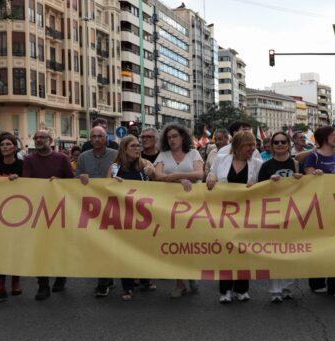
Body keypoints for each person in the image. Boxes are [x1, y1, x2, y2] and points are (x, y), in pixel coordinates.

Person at [207, 131, 263, 303]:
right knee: (226, 252)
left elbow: (266, 185)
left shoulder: (257, 164)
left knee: (243, 251)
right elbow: (212, 174)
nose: (252, 149)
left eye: (254, 145)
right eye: (248, 145)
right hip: (224, 215)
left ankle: (242, 289)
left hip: (247, 215)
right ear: (238, 146)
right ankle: (225, 290)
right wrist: (211, 178)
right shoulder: (221, 160)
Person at [23, 130, 74, 301]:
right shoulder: (29, 160)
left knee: (59, 246)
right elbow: (27, 183)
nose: (38, 140)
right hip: (37, 211)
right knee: (40, 249)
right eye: (35, 137)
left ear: (50, 140)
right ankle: (43, 285)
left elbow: (71, 182)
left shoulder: (62, 159)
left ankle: (60, 276)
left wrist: (58, 183)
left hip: (59, 210)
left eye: (41, 137)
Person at [154, 123, 204, 298]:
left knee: (189, 243)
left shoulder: (194, 153)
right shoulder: (163, 155)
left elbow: (199, 174)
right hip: (169, 207)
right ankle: (179, 282)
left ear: (183, 137)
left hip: (192, 206)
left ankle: (191, 272)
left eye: (175, 136)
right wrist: (178, 181)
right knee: (174, 244)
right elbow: (157, 176)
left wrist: (176, 176)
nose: (172, 139)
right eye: (169, 137)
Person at [106, 135, 157, 300]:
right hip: (123, 215)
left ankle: (145, 280)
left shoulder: (146, 165)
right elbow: (104, 187)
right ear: (124, 149)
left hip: (143, 215)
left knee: (144, 249)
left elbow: (159, 185)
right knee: (125, 251)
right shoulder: (114, 167)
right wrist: (112, 182)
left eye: (138, 145)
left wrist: (153, 174)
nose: (137, 148)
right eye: (133, 146)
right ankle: (127, 287)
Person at [257, 132, 302, 303]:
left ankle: (288, 286)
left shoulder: (297, 164)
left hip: (293, 214)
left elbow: (309, 188)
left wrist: (302, 178)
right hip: (273, 214)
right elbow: (257, 189)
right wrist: (269, 182)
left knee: (291, 251)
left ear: (289, 144)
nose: (280, 144)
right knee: (275, 252)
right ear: (272, 145)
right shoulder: (266, 166)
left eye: (284, 142)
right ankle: (275, 289)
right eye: (276, 142)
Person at [304, 126, 335, 298]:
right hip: (318, 210)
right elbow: (308, 182)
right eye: (333, 135)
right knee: (319, 245)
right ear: (323, 138)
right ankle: (317, 281)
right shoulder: (313, 157)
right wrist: (314, 175)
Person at [75, 127, 119, 299]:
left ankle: (104, 281)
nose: (97, 139)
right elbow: (74, 177)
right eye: (93, 136)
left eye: (100, 136)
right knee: (100, 244)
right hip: (92, 208)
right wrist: (80, 177)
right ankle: (105, 279)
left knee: (109, 244)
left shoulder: (116, 154)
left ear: (106, 138)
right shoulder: (83, 157)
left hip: (113, 205)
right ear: (90, 139)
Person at [0, 133, 24, 299]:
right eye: (2, 145)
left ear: (14, 147)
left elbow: (31, 185)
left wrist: (20, 179)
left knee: (15, 248)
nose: (5, 147)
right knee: (0, 249)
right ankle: (0, 285)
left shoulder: (23, 165)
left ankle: (16, 282)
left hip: (19, 213)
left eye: (9, 144)